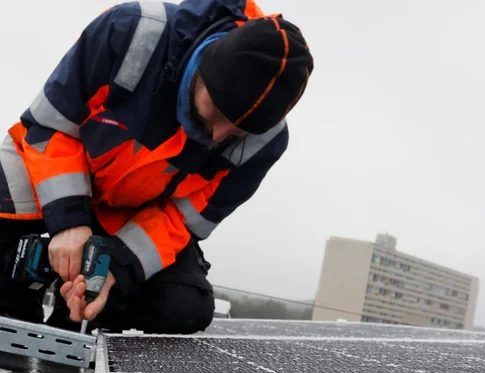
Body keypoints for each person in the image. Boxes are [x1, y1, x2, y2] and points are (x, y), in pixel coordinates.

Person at [0, 0, 314, 334]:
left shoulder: (263, 144)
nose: (219, 134)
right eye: (217, 112)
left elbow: (180, 219)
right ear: (204, 68)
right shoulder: (132, 31)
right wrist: (69, 222)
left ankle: (84, 316)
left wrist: (114, 271)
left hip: (132, 212)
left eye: (238, 130)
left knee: (183, 306)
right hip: (43, 170)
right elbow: (51, 127)